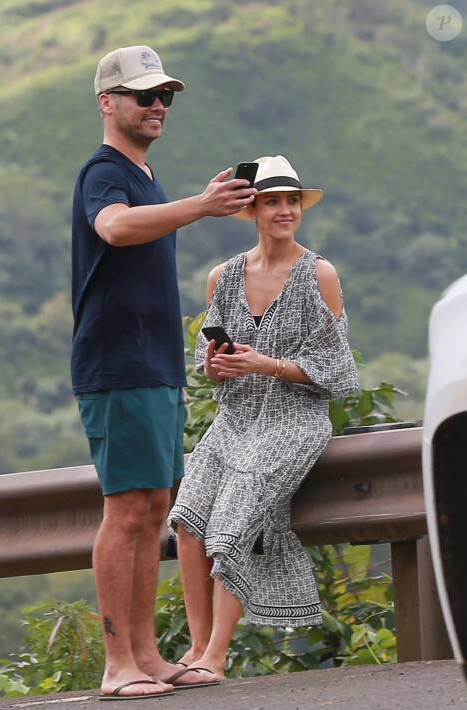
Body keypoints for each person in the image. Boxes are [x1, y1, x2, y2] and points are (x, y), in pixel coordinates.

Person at [70, 45, 257, 700]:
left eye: (165, 96)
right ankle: (117, 662)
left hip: (154, 363)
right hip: (116, 362)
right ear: (108, 102)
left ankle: (147, 655)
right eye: (143, 94)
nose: (156, 105)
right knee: (125, 510)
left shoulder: (146, 178)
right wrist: (200, 206)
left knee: (154, 510)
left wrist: (195, 203)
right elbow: (115, 230)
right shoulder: (104, 172)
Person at [167, 155, 360, 679]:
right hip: (234, 422)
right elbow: (213, 370)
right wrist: (218, 365)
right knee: (186, 519)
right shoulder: (222, 278)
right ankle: (195, 647)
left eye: (291, 200)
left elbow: (340, 372)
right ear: (252, 209)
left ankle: (216, 656)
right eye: (273, 201)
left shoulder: (319, 274)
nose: (284, 210)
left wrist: (269, 364)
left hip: (293, 423)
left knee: (233, 522)